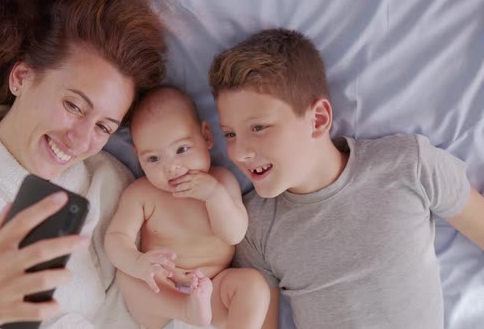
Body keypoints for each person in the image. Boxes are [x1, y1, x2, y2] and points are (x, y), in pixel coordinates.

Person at [0, 0, 166, 328]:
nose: (80, 140)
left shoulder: (111, 188)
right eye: (73, 106)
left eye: (103, 127)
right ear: (21, 78)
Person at [207, 28, 484, 329]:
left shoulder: (408, 164)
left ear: (319, 119)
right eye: (230, 134)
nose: (239, 152)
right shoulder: (254, 226)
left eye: (258, 127)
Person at [104, 86, 270, 329]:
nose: (171, 167)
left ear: (206, 137)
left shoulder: (221, 182)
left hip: (212, 291)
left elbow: (234, 234)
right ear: (138, 156)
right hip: (161, 294)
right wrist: (137, 264)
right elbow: (117, 238)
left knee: (253, 285)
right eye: (153, 159)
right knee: (126, 276)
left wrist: (213, 195)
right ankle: (184, 308)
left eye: (181, 150)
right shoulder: (141, 193)